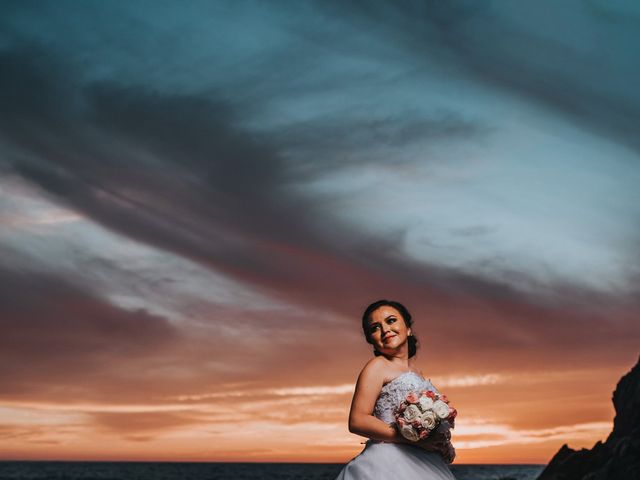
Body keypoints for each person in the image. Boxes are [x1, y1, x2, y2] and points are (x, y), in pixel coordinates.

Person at [334, 299, 457, 479]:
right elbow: (357, 420)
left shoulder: (416, 372)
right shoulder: (377, 366)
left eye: (390, 321)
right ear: (371, 340)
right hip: (389, 463)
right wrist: (411, 439)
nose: (385, 330)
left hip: (424, 462)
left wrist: (441, 444)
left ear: (408, 328)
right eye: (375, 328)